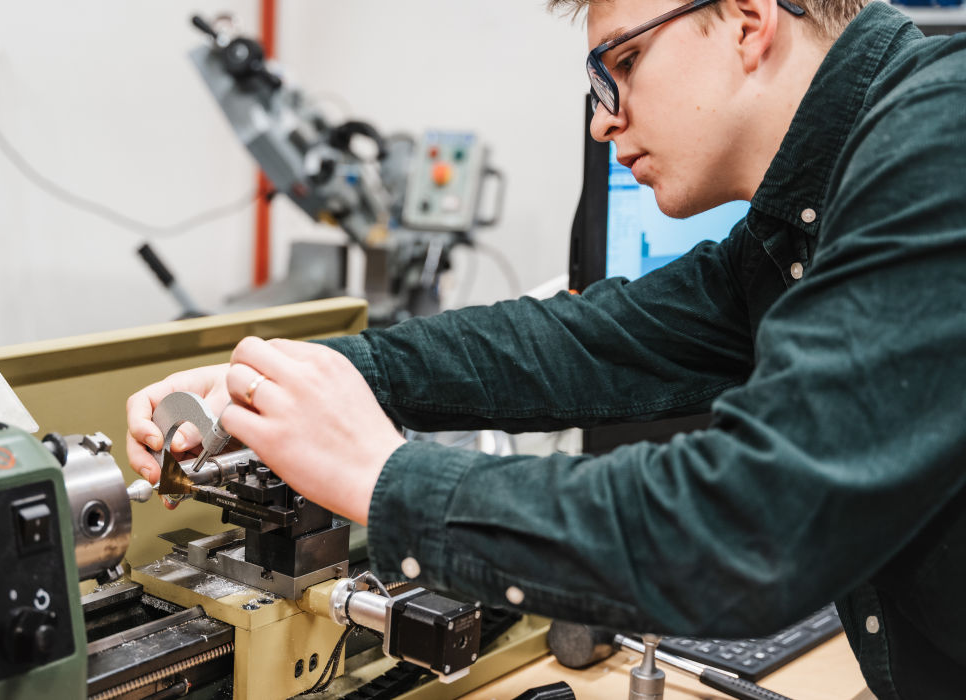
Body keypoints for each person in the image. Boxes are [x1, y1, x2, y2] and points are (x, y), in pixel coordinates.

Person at [127, 0, 966, 696]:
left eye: (624, 65)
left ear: (747, 21)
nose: (604, 120)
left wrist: (385, 478)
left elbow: (749, 525)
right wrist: (316, 374)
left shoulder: (940, 147)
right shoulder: (802, 222)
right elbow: (591, 340)